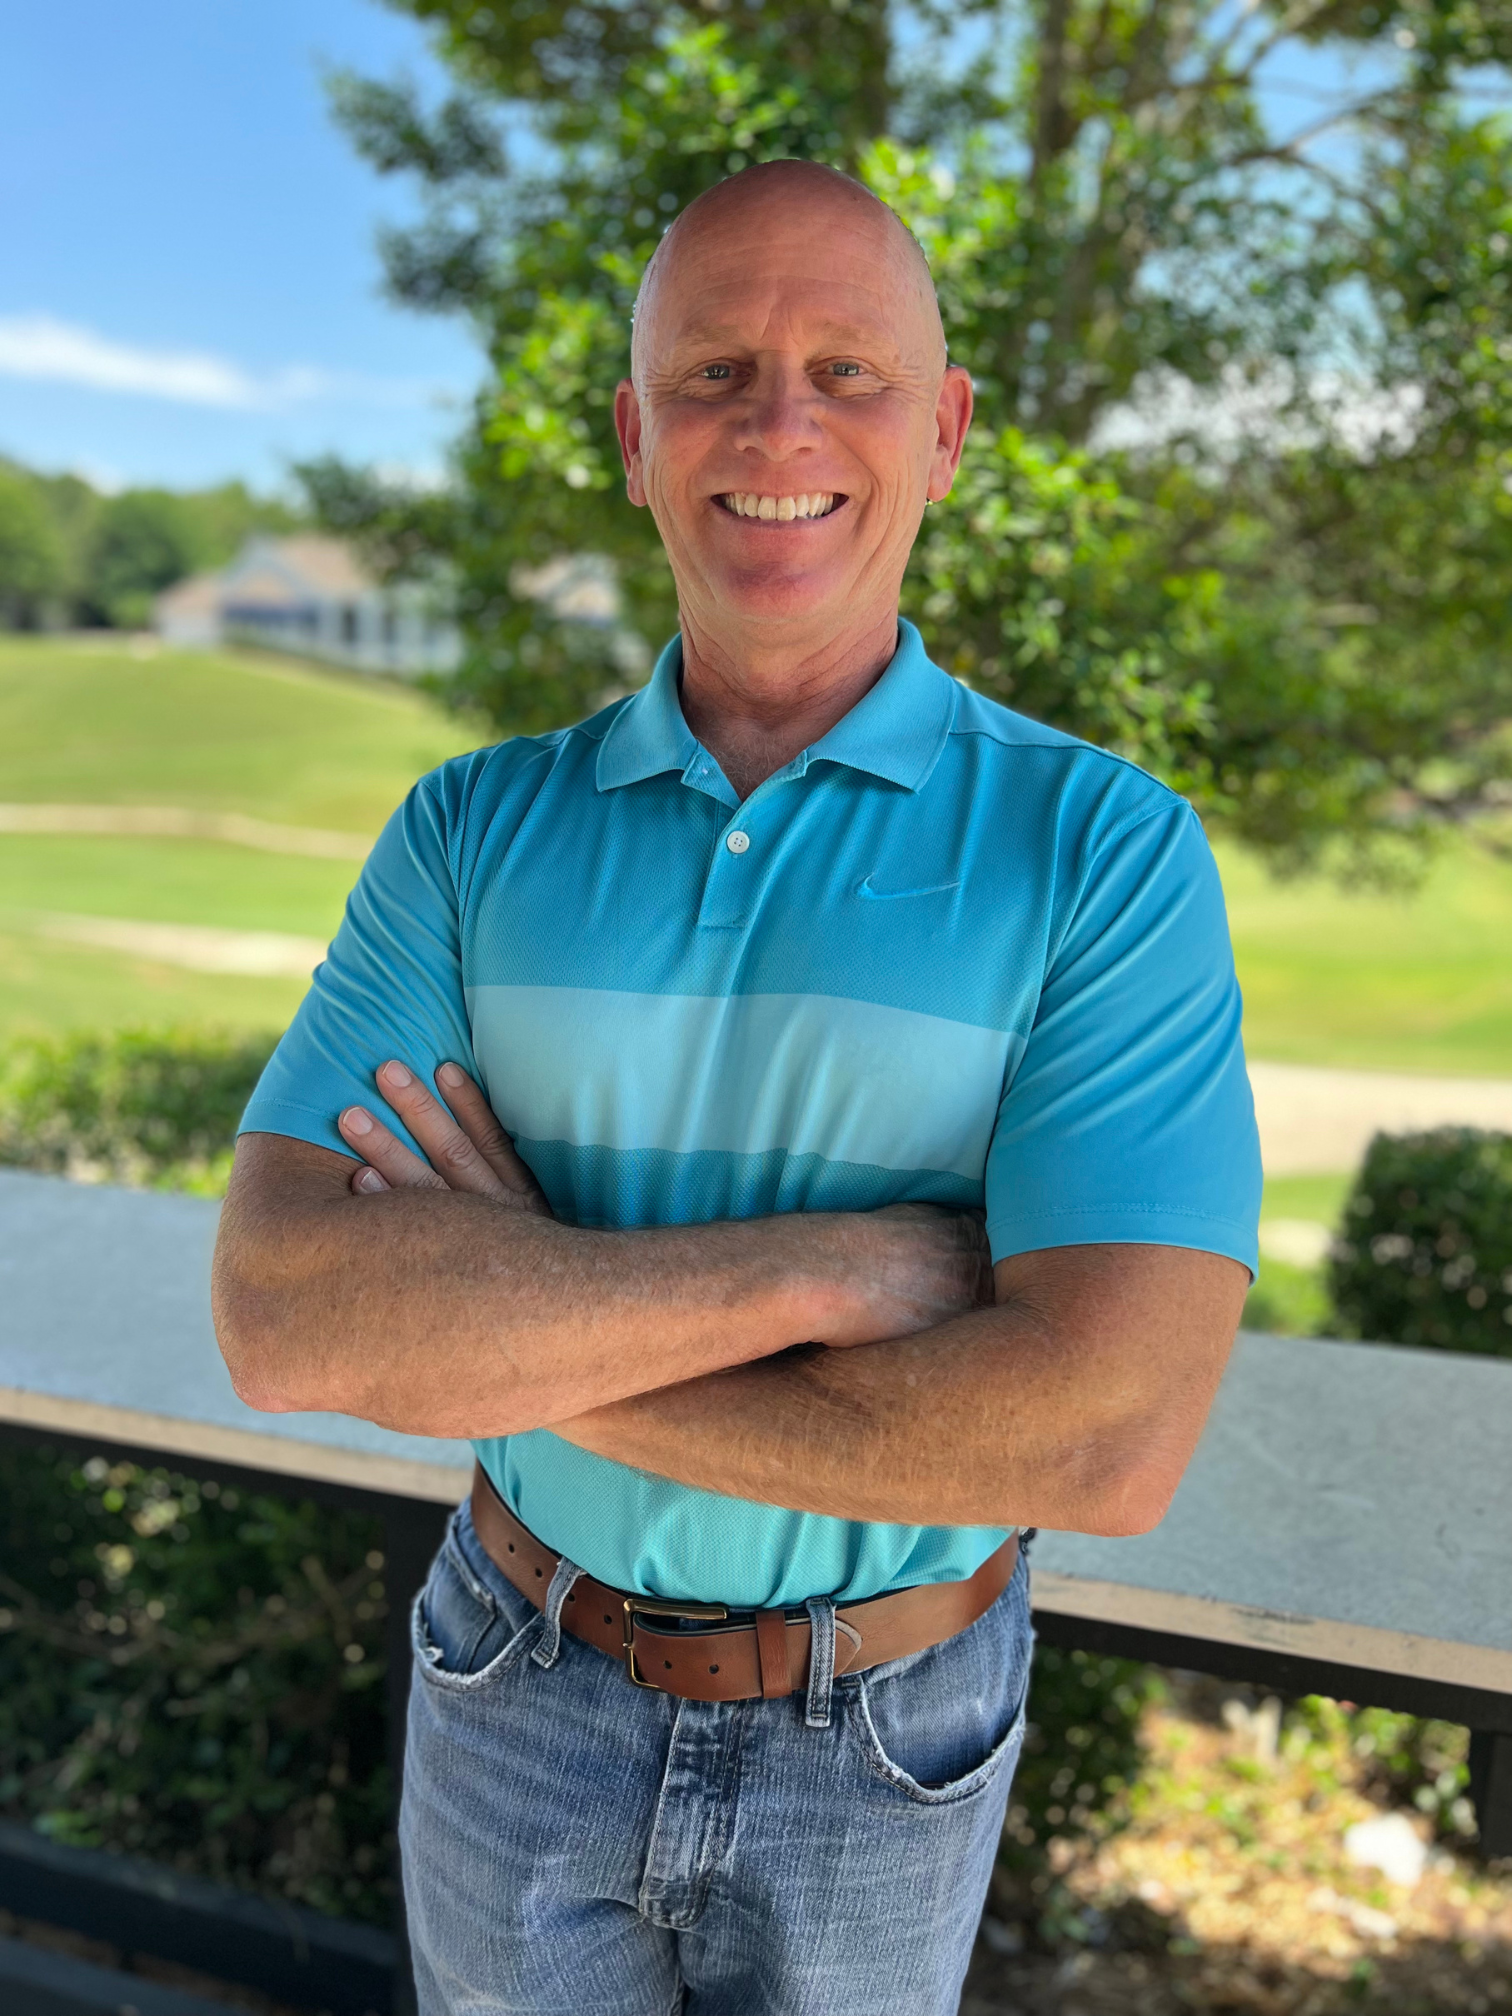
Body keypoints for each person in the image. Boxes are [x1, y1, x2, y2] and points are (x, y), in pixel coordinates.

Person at [212, 159, 1261, 2016]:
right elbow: (288, 1320)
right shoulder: (466, 833)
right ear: (635, 437)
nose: (779, 423)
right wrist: (819, 1272)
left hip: (890, 1730)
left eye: (849, 372)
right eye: (713, 374)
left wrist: (510, 1320)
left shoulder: (1105, 849)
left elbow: (1106, 1434)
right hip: (505, 1678)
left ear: (943, 435)